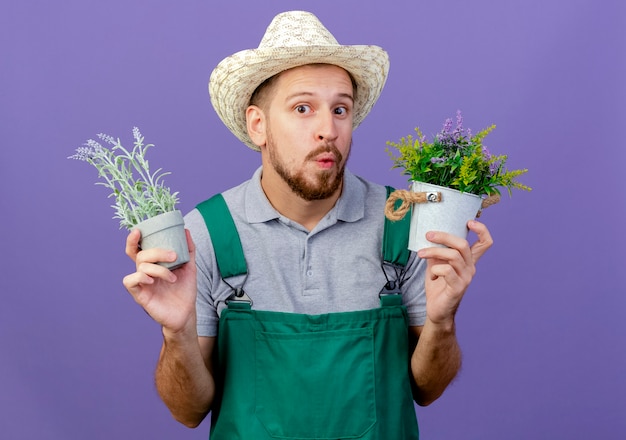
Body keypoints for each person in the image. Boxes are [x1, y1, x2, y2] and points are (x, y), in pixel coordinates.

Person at [123, 10, 493, 439]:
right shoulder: (204, 233)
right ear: (258, 125)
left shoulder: (404, 224)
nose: (327, 129)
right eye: (303, 108)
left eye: (341, 109)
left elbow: (427, 389)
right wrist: (176, 332)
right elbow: (188, 412)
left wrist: (443, 321)